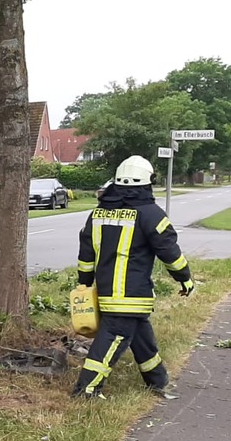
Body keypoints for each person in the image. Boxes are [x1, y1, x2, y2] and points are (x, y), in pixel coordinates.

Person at [72, 154, 195, 400]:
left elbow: (86, 254)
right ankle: (86, 390)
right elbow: (169, 252)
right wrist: (185, 279)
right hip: (131, 295)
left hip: (106, 291)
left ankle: (157, 379)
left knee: (141, 336)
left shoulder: (97, 214)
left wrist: (85, 284)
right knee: (113, 338)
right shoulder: (151, 214)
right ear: (147, 183)